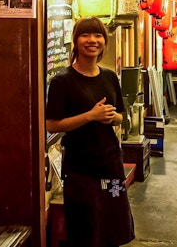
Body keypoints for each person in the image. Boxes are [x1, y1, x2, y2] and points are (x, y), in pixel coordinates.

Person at [45, 16, 135, 247]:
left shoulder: (109, 76)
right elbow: (51, 125)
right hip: (80, 171)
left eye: (98, 35)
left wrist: (112, 117)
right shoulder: (62, 81)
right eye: (85, 35)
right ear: (75, 41)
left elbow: (120, 117)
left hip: (111, 166)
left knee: (114, 223)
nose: (92, 40)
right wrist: (90, 116)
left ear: (104, 41)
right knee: (85, 229)